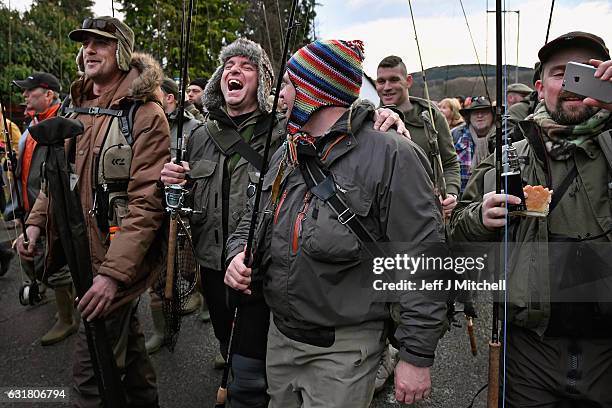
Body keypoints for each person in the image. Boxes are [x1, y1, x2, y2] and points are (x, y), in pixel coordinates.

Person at [160, 38, 407, 407]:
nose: (234, 71)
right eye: (228, 66)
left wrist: (379, 115)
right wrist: (170, 185)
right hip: (216, 267)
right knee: (236, 355)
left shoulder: (286, 131)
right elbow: (200, 207)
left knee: (251, 378)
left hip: (272, 279)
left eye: (247, 66)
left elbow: (335, 117)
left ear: (265, 81)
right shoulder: (198, 136)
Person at [225, 39, 447, 408]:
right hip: (280, 338)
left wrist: (416, 355)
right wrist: (236, 255)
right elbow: (250, 220)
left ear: (315, 91)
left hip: (344, 351)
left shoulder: (392, 154)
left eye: (289, 86)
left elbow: (424, 260)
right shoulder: (285, 152)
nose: (280, 96)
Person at [450, 31, 612, 407]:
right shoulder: (510, 156)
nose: (573, 84)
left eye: (587, 71)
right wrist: (479, 217)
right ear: (540, 87)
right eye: (561, 73)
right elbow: (455, 230)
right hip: (529, 354)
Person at [16, 16, 169, 406]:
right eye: (85, 43)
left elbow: (146, 205)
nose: (89, 50)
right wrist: (35, 224)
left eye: (100, 43)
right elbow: (57, 180)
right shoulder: (77, 107)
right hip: (85, 255)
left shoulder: (146, 115)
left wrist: (113, 277)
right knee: (132, 360)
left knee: (91, 380)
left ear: (121, 50)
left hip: (115, 262)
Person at [12, 72, 77, 346]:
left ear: (49, 94)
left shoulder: (63, 124)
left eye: (31, 91)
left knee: (58, 263)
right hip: (30, 207)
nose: (25, 96)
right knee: (33, 256)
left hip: (54, 208)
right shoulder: (31, 126)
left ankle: (67, 319)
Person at [376, 55, 460, 219]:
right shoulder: (371, 121)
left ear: (408, 81)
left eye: (394, 80)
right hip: (386, 215)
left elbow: (449, 163)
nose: (386, 87)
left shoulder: (431, 116)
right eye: (381, 81)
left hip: (428, 213)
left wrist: (451, 193)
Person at [451, 96, 495, 195]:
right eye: (475, 112)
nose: (479, 115)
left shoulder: (503, 135)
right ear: (469, 117)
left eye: (484, 112)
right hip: (462, 198)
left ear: (493, 115)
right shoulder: (456, 135)